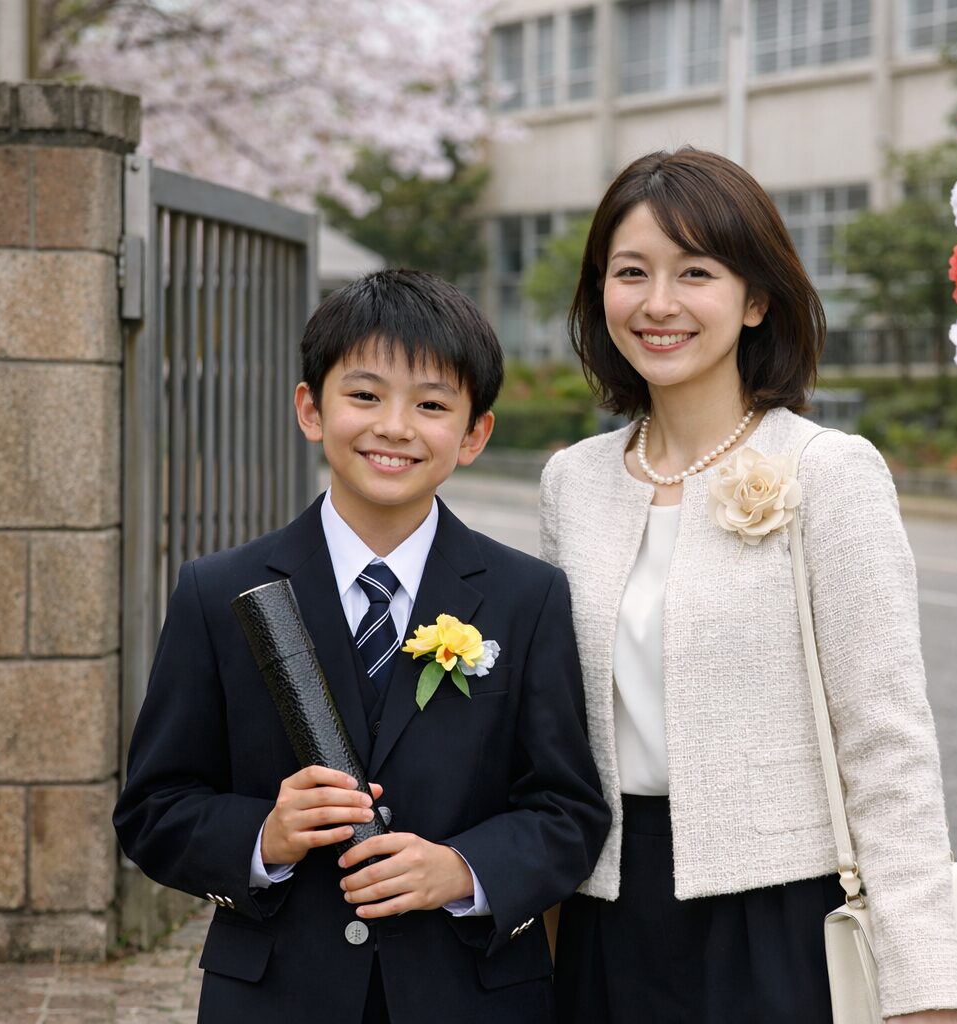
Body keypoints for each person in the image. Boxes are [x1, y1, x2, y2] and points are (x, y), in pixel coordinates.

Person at [540, 148, 957, 1024]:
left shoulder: (828, 471)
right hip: (605, 909)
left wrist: (924, 987)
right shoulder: (573, 482)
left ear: (756, 298)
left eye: (694, 271)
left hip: (778, 911)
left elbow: (887, 744)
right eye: (631, 273)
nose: (658, 303)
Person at [115, 270, 610, 1024]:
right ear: (311, 409)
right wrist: (264, 837)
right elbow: (154, 810)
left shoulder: (526, 596)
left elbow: (568, 811)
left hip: (468, 996)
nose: (395, 427)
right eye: (365, 395)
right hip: (277, 997)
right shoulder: (217, 592)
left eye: (433, 405)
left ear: (474, 433)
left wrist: (461, 869)